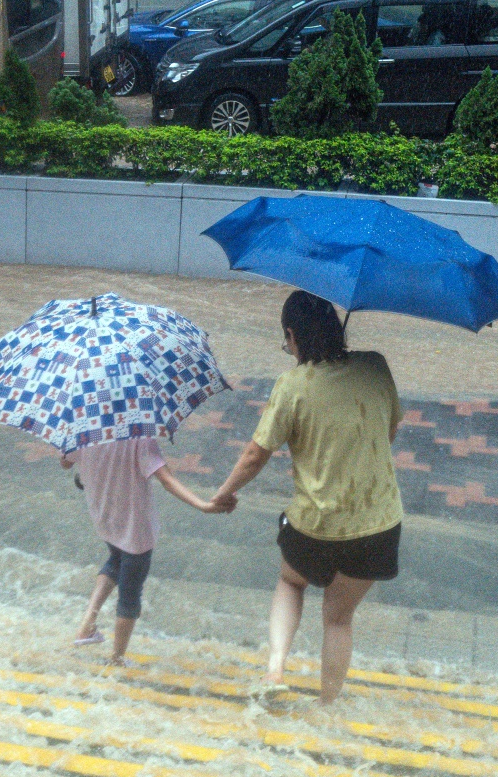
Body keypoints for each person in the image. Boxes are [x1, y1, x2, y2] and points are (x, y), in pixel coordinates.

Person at [208, 290, 403, 703]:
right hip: (377, 527)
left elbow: (253, 455)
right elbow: (388, 431)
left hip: (314, 526)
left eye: (286, 340)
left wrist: (222, 494)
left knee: (290, 581)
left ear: (293, 336)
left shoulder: (292, 385)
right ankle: (328, 705)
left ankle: (276, 671)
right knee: (338, 619)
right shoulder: (375, 367)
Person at [65, 435, 229, 663]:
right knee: (130, 597)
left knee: (115, 560)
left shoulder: (86, 432)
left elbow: (65, 462)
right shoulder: (139, 439)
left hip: (104, 518)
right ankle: (117, 658)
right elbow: (167, 480)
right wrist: (202, 505)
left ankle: (86, 626)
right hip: (135, 529)